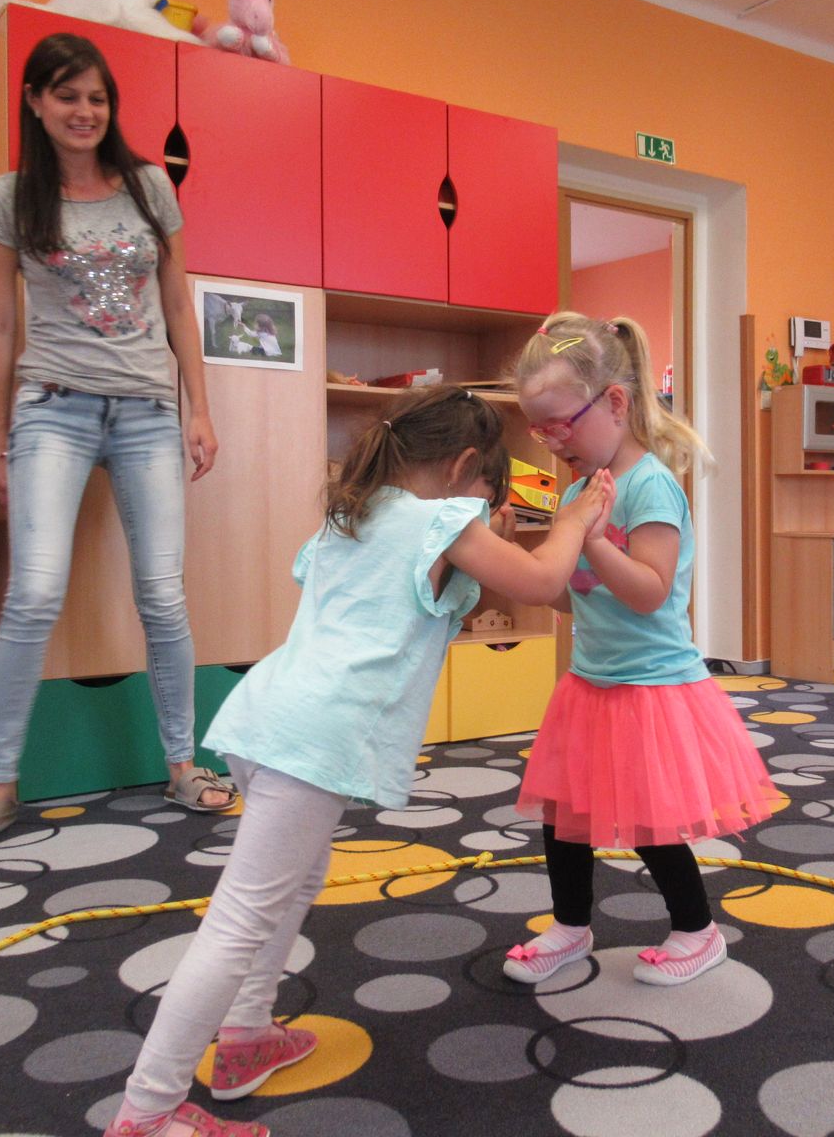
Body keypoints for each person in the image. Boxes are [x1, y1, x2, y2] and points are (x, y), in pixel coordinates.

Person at [104, 385, 615, 1137]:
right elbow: (540, 583)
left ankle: (247, 1037)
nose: (483, 510)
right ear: (464, 467)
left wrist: (480, 545)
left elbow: (408, 605)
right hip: (316, 738)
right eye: (486, 493)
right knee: (240, 920)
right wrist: (569, 521)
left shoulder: (356, 512)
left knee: (293, 882)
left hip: (269, 719)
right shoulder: (442, 520)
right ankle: (147, 1110)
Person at [0, 33, 229, 857]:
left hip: (145, 411)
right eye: (66, 95)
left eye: (97, 97)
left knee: (162, 595)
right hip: (52, 407)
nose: (84, 111)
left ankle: (182, 764)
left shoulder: (148, 185)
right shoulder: (9, 197)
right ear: (35, 101)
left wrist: (198, 409)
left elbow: (178, 303)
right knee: (32, 593)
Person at [502, 312, 777, 988]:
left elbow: (652, 591)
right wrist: (517, 556)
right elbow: (571, 599)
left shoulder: (650, 485)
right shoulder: (577, 492)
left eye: (560, 424)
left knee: (653, 822)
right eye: (538, 429)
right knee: (564, 814)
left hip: (652, 687)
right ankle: (570, 927)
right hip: (590, 682)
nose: (551, 441)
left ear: (616, 403)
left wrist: (594, 540)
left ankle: (698, 932)